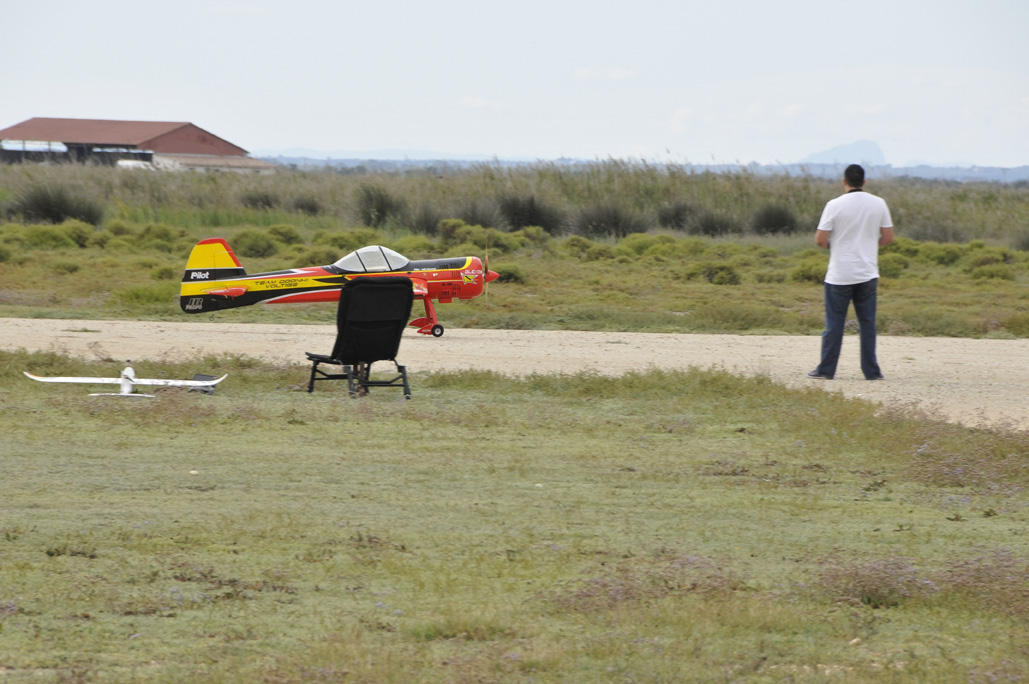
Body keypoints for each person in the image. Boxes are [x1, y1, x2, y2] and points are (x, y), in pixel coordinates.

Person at [808, 164, 894, 380]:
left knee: (834, 324)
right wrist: (869, 246)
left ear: (844, 181)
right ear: (864, 182)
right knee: (867, 324)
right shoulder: (879, 203)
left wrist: (833, 246)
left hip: (840, 274)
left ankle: (826, 370)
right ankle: (871, 372)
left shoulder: (834, 205)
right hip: (867, 272)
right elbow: (888, 238)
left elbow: (820, 239)